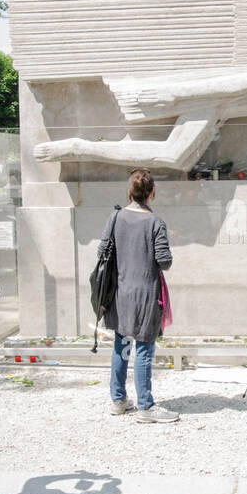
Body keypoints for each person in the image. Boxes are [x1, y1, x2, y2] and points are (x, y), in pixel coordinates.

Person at [107, 169, 178, 422]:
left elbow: (102, 252)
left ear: (130, 191)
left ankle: (118, 400)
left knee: (122, 345)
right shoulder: (155, 222)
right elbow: (164, 261)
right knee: (144, 349)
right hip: (146, 294)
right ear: (152, 192)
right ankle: (146, 407)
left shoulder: (115, 217)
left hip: (120, 293)